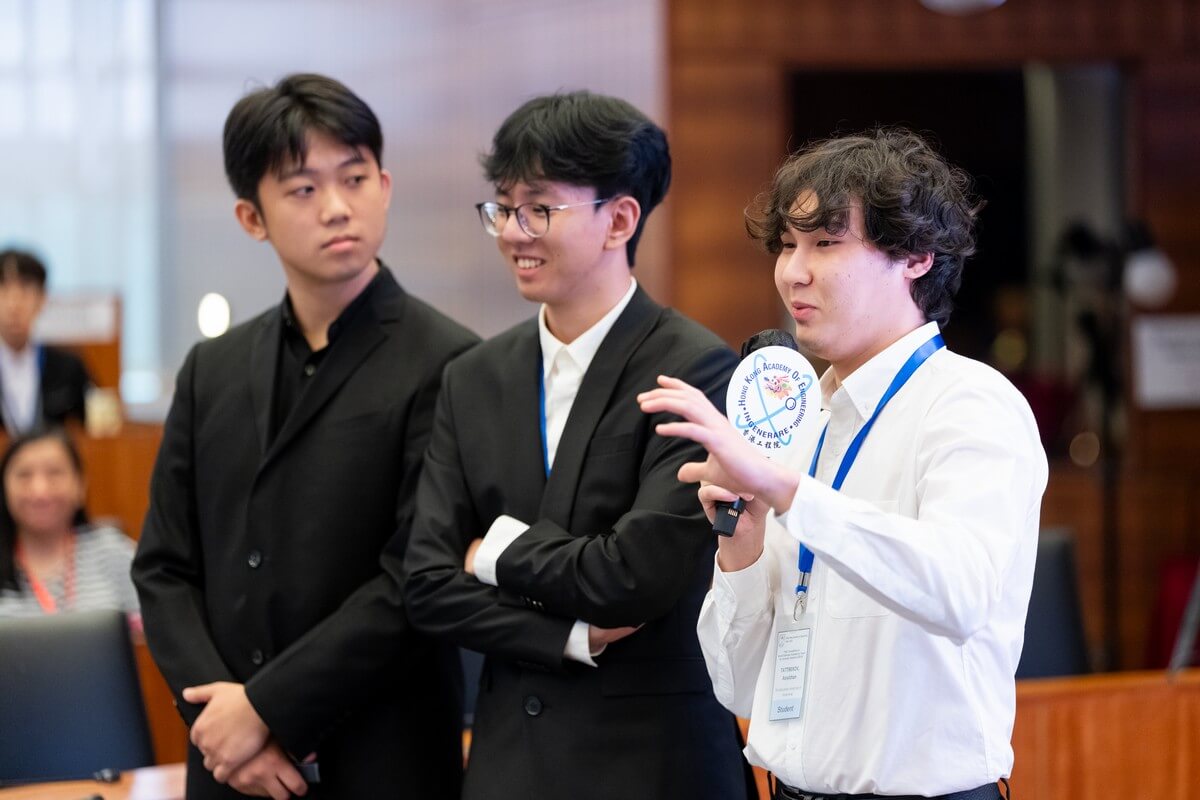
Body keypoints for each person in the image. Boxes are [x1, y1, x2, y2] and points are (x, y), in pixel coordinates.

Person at [637, 128, 1048, 800]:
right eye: (787, 244)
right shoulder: (803, 421)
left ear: (916, 255)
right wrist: (741, 548)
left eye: (826, 244)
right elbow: (737, 686)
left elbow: (961, 591)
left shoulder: (971, 403)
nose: (792, 272)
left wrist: (787, 491)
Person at [131, 73, 478, 800]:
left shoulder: (451, 364)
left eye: (354, 178)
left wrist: (264, 710)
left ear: (385, 185)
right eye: (302, 189)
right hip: (228, 767)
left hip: (382, 760)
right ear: (251, 217)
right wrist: (221, 720)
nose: (337, 207)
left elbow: (415, 577)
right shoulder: (212, 370)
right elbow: (164, 567)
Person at [403, 91, 752, 800]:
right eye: (503, 208)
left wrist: (490, 553)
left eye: (539, 209)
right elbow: (428, 585)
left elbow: (635, 577)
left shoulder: (695, 368)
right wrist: (570, 636)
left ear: (619, 219)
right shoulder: (473, 377)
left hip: (655, 767)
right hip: (507, 765)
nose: (513, 232)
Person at [0, 427, 138, 619]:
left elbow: (153, 626)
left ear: (80, 485)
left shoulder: (112, 551)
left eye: (54, 473)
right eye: (24, 475)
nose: (40, 491)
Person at [0, 249, 93, 435]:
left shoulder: (68, 369)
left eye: (25, 291)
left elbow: (94, 432)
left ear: (42, 299)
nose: (13, 305)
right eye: (4, 291)